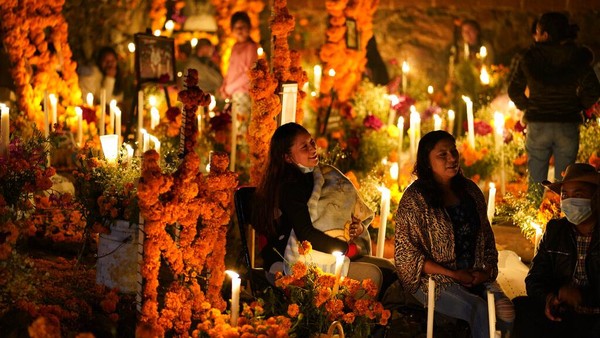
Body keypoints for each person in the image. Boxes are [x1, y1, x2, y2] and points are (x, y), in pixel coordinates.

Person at [253, 123, 398, 300]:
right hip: (295, 260)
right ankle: (357, 323)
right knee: (374, 276)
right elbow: (305, 234)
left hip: (328, 249)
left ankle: (380, 322)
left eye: (311, 142)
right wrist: (346, 248)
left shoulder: (316, 174)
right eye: (304, 146)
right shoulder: (289, 186)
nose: (312, 148)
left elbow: (333, 214)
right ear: (287, 157)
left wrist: (354, 228)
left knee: (390, 269)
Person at [394, 130, 514, 338]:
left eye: (453, 151)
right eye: (442, 155)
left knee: (506, 313)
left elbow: (486, 237)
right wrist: (453, 274)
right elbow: (406, 254)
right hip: (435, 279)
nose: (452, 158)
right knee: (478, 309)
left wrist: (485, 272)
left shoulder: (470, 191)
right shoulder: (415, 198)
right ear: (427, 161)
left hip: (475, 275)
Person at [508, 12, 600, 202]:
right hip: (567, 124)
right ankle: (560, 223)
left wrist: (529, 106)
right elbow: (592, 89)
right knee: (565, 182)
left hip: (538, 124)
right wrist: (577, 106)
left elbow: (514, 89)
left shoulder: (530, 56)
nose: (536, 36)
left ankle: (532, 222)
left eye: (538, 32)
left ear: (546, 34)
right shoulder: (576, 56)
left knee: (535, 182)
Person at [512, 163, 600, 338]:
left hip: (595, 313)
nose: (569, 201)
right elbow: (535, 278)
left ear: (596, 197)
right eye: (565, 195)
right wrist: (549, 298)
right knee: (521, 307)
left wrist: (581, 296)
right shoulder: (555, 230)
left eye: (578, 195)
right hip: (563, 310)